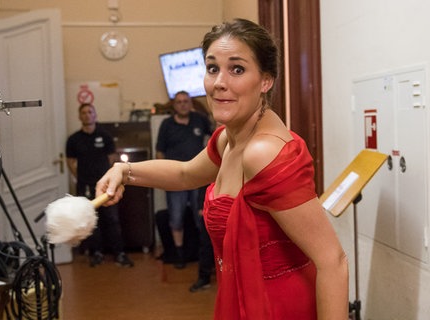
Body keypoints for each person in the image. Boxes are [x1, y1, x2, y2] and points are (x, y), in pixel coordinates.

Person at [95, 19, 348, 319]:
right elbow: (185, 174)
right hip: (244, 298)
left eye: (237, 69)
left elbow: (333, 261)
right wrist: (125, 172)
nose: (219, 83)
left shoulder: (262, 152)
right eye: (213, 68)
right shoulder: (231, 136)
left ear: (266, 81)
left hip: (276, 307)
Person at [66, 103, 134, 268]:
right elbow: (70, 162)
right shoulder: (73, 139)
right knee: (91, 220)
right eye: (84, 112)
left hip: (105, 186)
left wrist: (107, 179)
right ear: (79, 116)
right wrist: (81, 177)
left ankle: (119, 253)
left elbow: (112, 158)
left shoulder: (105, 136)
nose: (87, 115)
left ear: (95, 115)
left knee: (112, 219)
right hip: (85, 185)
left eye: (90, 112)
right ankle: (96, 253)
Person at [156, 90, 212, 268]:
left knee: (202, 219)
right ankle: (179, 254)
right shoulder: (166, 124)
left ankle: (204, 257)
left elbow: (215, 137)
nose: (183, 104)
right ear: (174, 105)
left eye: (186, 101)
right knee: (176, 218)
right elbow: (159, 153)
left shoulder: (200, 119)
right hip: (175, 179)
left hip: (198, 178)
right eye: (179, 102)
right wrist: (162, 177)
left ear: (191, 103)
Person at [188, 184, 215, 292]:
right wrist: (201, 204)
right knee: (206, 243)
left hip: (234, 200)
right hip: (210, 201)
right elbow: (204, 182)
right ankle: (204, 277)